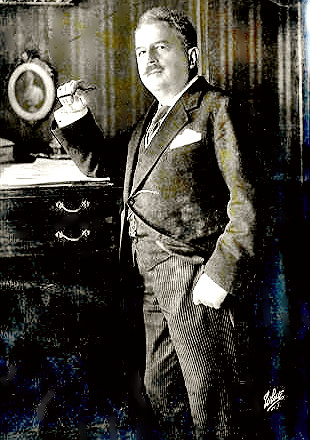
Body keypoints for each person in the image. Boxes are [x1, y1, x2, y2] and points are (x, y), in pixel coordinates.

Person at [52, 7, 256, 439]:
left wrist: (220, 274)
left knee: (212, 404)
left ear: (193, 57)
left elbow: (249, 201)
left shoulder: (216, 109)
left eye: (161, 47)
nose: (149, 59)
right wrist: (75, 117)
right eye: (141, 51)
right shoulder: (151, 120)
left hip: (191, 276)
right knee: (162, 392)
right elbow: (105, 164)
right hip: (146, 278)